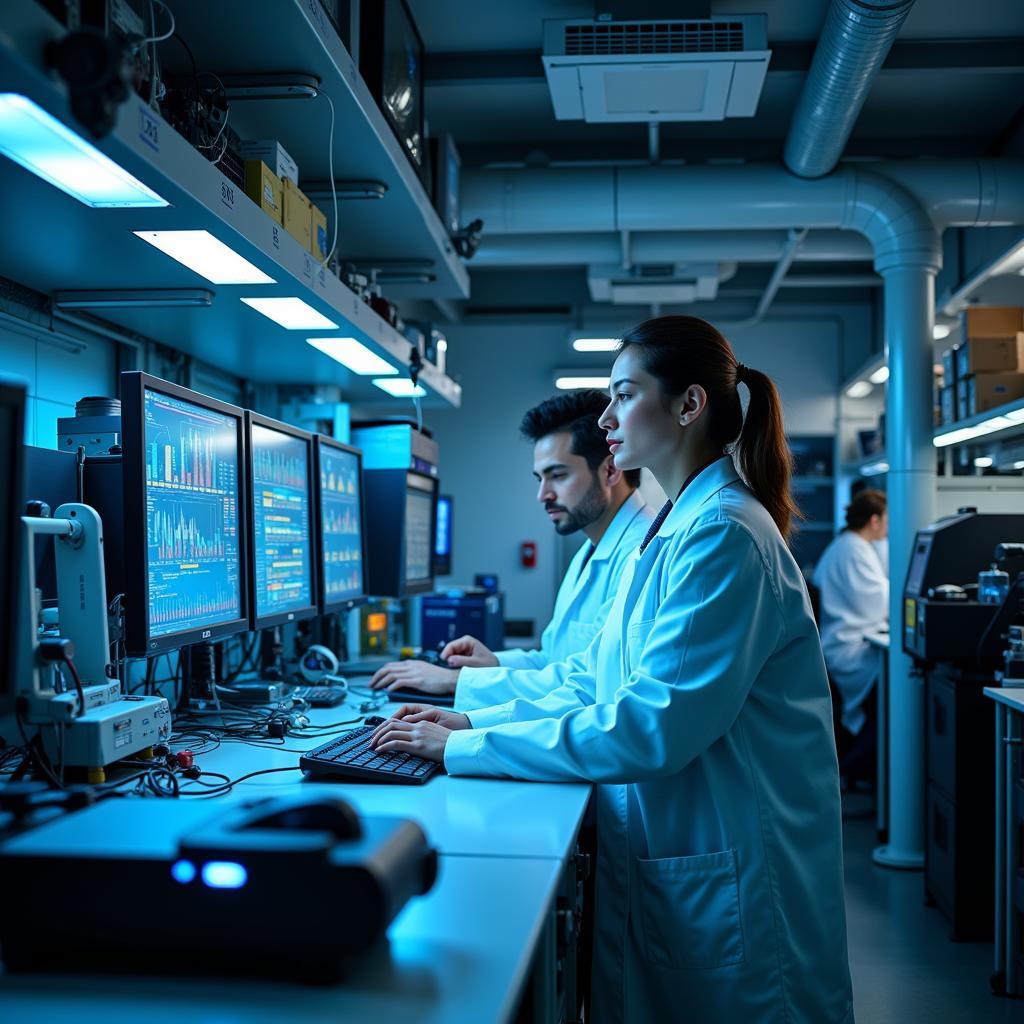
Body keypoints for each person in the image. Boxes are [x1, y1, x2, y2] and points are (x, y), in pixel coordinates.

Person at [369, 315, 854, 1023]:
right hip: (678, 854)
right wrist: (470, 715)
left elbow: (649, 727)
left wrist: (464, 744)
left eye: (624, 395)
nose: (607, 417)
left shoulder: (722, 535)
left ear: (689, 406)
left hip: (734, 876)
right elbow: (593, 678)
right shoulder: (677, 528)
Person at [369, 390, 654, 702]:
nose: (543, 494)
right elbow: (553, 660)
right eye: (539, 479)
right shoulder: (590, 549)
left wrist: (456, 681)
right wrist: (494, 662)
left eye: (557, 475)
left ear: (611, 471)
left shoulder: (642, 555)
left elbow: (593, 682)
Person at [813, 489, 889, 769]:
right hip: (847, 648)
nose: (888, 528)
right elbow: (878, 601)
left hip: (843, 640)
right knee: (895, 692)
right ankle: (860, 764)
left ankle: (866, 764)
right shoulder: (853, 549)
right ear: (874, 520)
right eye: (887, 521)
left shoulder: (849, 544)